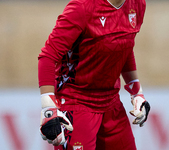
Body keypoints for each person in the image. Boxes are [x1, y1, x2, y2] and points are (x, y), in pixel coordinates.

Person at [38, 0, 150, 149]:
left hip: (111, 102)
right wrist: (48, 107)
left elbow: (125, 46)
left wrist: (137, 92)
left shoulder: (137, 4)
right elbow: (48, 56)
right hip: (76, 102)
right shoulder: (82, 7)